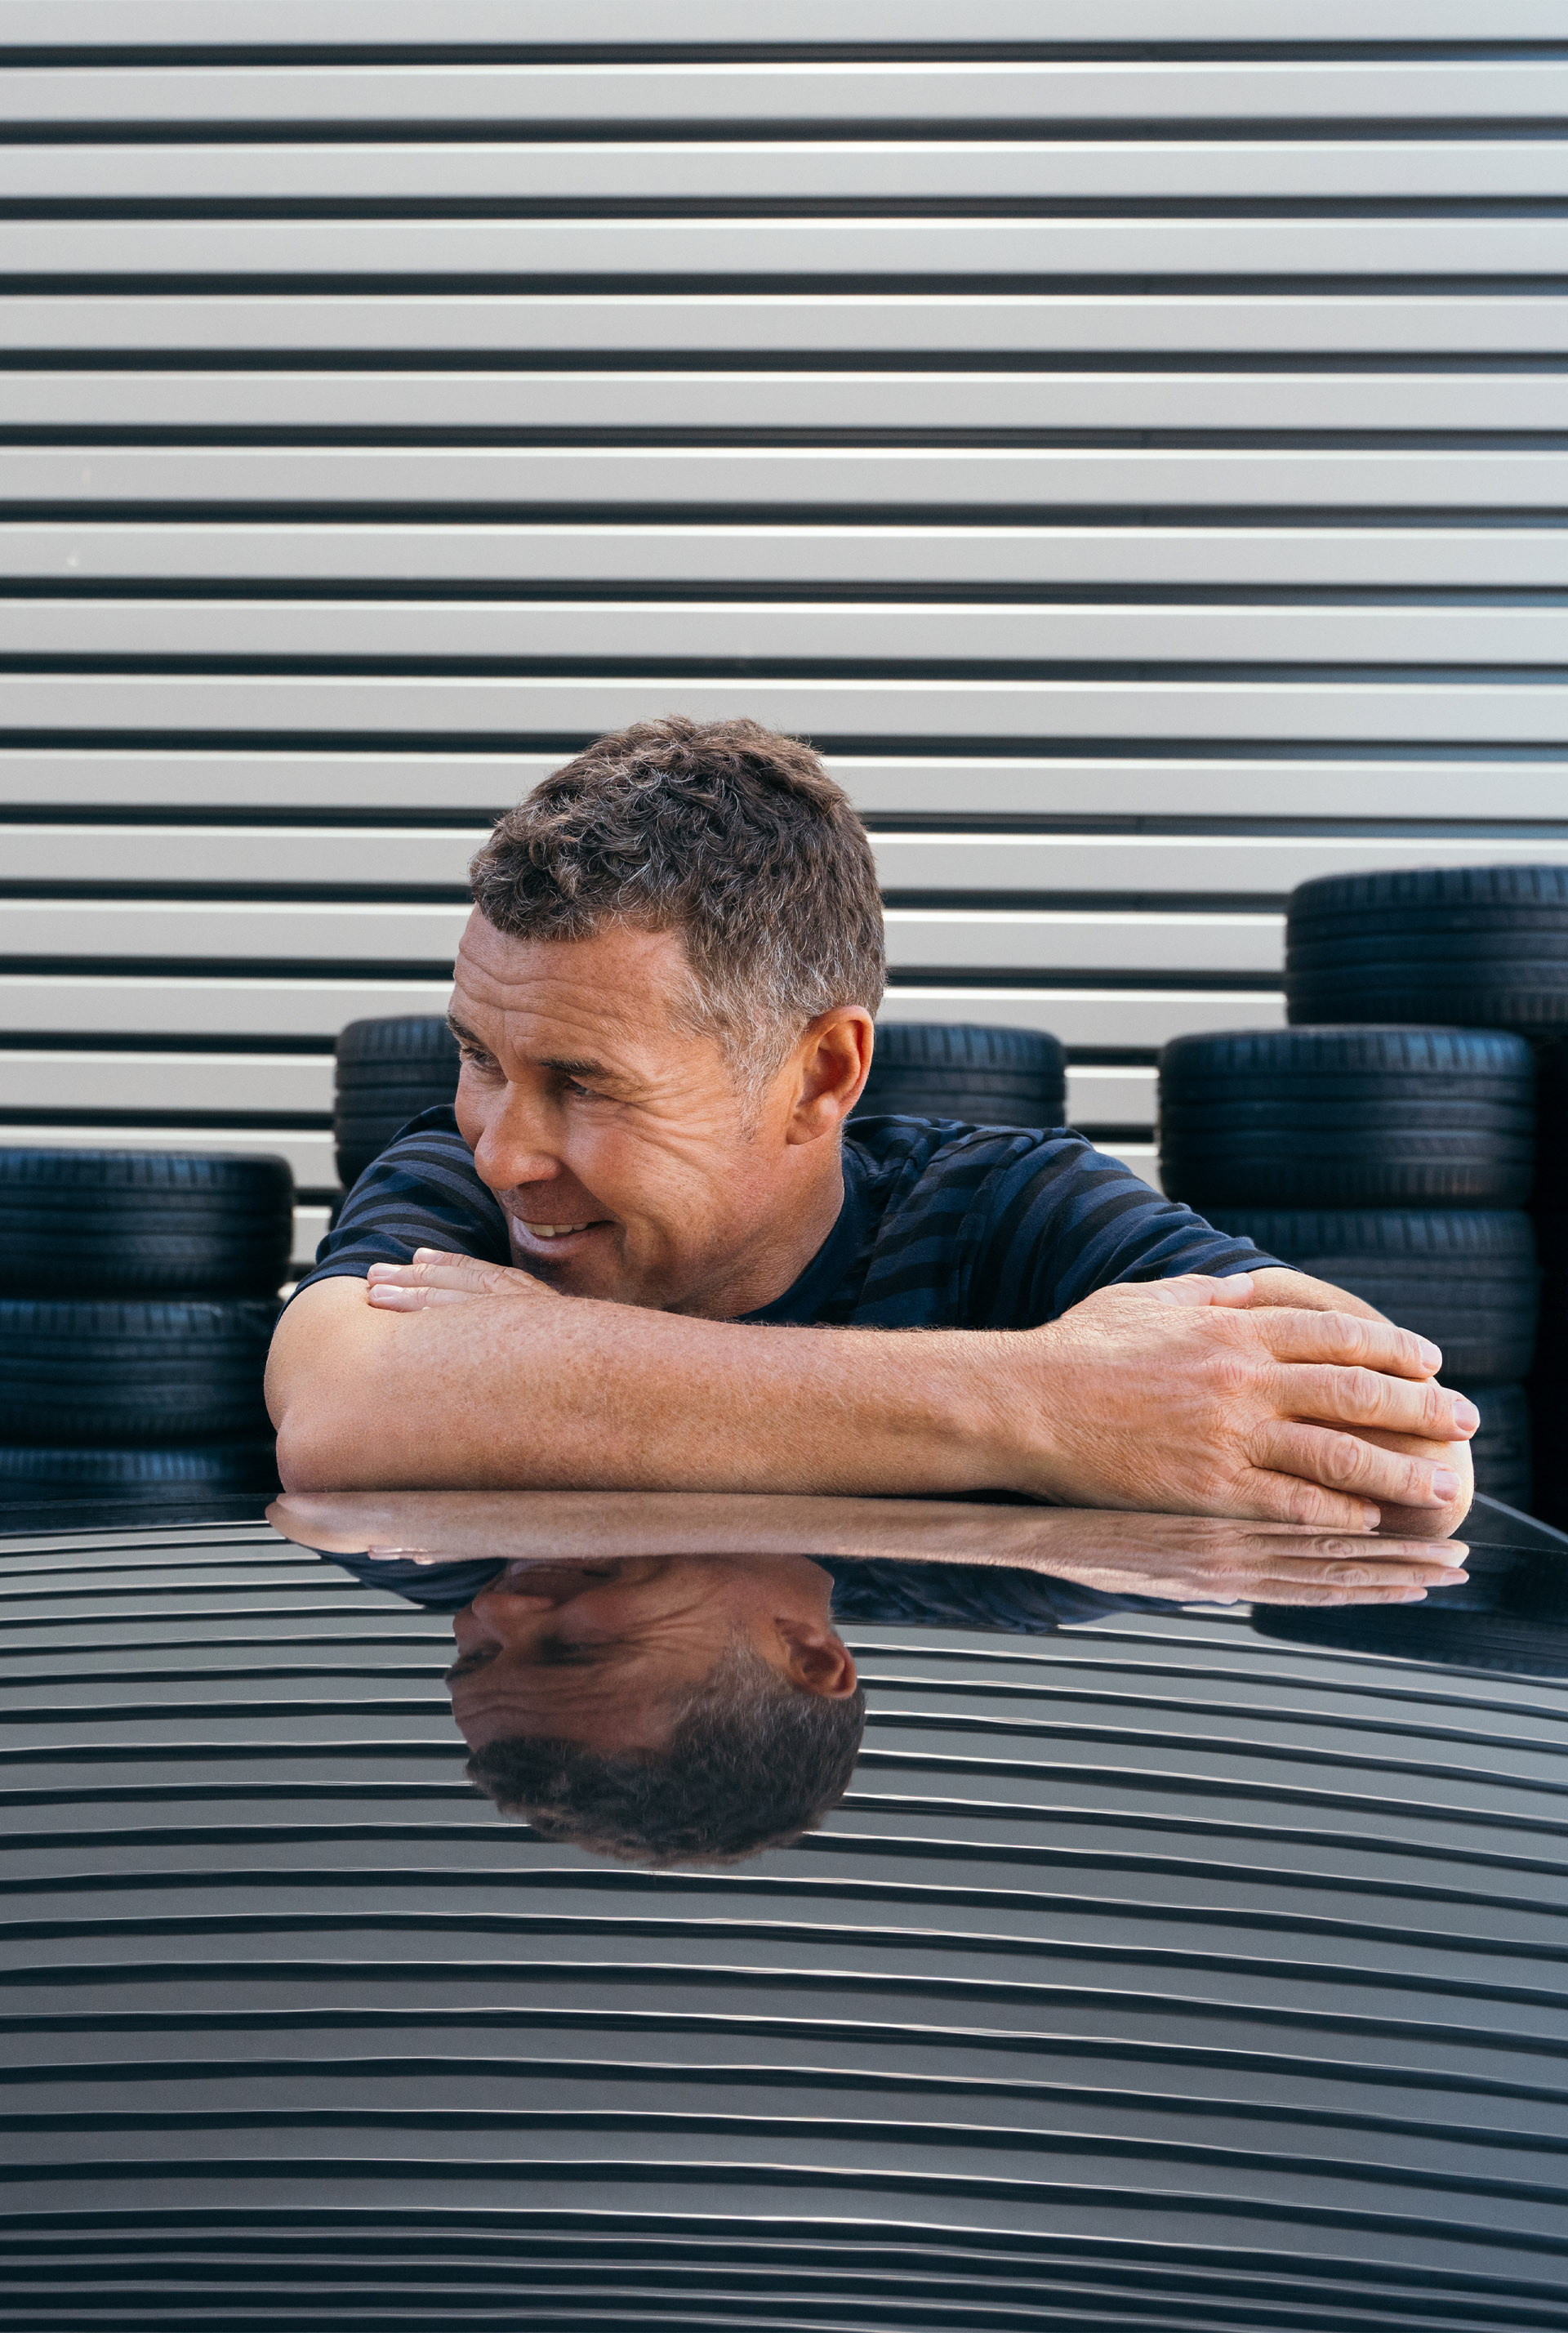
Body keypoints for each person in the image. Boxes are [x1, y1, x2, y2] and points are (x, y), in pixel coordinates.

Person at [266, 716, 1476, 1535]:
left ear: (820, 1076)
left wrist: (529, 1377)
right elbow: (342, 1409)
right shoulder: (457, 1175)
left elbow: (1422, 1468)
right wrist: (1047, 1407)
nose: (506, 1149)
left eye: (585, 1084)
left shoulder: (1007, 1213)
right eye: (480, 1056)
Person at [271, 1488, 1471, 1865]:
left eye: (476, 1655)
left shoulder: (395, 1544)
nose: (494, 1604)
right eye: (578, 1647)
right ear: (810, 1655)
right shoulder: (1079, 1565)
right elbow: (1412, 1487)